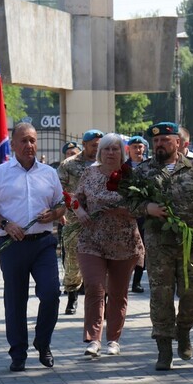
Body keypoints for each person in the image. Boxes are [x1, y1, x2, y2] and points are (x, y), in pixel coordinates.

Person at [131, 122, 193, 371]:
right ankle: (164, 348)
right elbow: (128, 201)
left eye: (165, 140)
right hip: (159, 244)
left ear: (178, 143)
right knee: (160, 296)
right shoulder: (144, 170)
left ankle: (184, 331)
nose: (159, 144)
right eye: (156, 141)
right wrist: (146, 208)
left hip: (190, 243)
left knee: (192, 293)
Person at [0, 123, 66, 372]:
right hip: (12, 245)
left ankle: (43, 342)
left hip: (43, 244)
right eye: (24, 141)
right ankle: (18, 353)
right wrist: (5, 224)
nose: (29, 146)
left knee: (51, 294)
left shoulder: (49, 173)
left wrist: (54, 214)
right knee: (16, 300)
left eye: (33, 141)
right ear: (13, 144)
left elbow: (61, 205)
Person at [74, 133, 145, 358]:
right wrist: (80, 211)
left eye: (115, 149)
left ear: (122, 153)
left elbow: (142, 208)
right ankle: (93, 339)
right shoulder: (89, 173)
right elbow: (74, 199)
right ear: (100, 152)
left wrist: (122, 210)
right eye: (107, 149)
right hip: (91, 240)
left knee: (118, 292)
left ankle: (113, 339)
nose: (111, 153)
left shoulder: (131, 176)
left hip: (123, 242)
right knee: (94, 287)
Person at [57, 129, 103, 315]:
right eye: (94, 146)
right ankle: (72, 297)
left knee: (101, 262)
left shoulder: (106, 162)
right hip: (75, 221)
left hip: (101, 222)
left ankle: (99, 300)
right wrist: (73, 208)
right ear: (84, 145)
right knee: (73, 260)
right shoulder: (69, 165)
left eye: (100, 146)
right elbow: (60, 191)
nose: (97, 149)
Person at [126, 135, 149, 293]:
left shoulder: (150, 166)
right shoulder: (123, 167)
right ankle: (125, 281)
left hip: (145, 213)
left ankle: (137, 282)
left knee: (142, 247)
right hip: (127, 213)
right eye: (134, 147)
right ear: (129, 149)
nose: (138, 150)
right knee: (128, 248)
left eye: (140, 147)